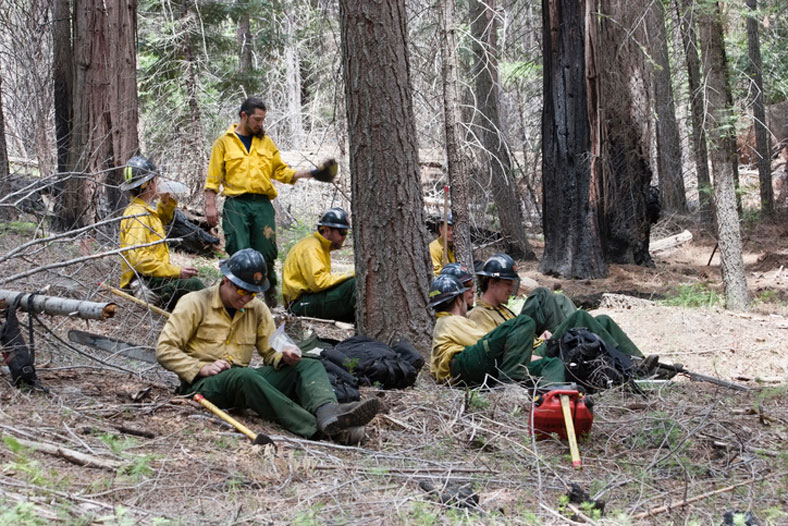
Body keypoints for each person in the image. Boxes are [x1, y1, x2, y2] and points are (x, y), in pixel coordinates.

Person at [156, 248, 380, 444]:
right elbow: (165, 349)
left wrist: (285, 356)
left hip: (241, 379)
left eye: (253, 293)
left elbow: (271, 349)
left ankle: (328, 412)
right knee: (245, 377)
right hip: (202, 385)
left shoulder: (257, 309)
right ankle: (320, 429)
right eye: (242, 291)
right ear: (226, 280)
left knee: (308, 366)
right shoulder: (194, 302)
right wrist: (200, 368)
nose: (247, 299)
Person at [204, 97, 319, 307]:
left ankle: (271, 302)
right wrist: (210, 204)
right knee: (240, 252)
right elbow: (213, 178)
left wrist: (308, 173)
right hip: (236, 204)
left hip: (262, 205)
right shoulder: (224, 143)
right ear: (244, 116)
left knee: (266, 252)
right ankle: (238, 302)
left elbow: (281, 171)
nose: (260, 124)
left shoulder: (266, 143)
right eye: (257, 119)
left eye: (263, 119)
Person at [468, 253, 644, 358]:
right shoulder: (480, 314)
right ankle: (626, 364)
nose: (511, 290)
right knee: (579, 317)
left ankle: (640, 361)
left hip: (538, 347)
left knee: (603, 320)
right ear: (492, 283)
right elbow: (493, 351)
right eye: (507, 284)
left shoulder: (503, 310)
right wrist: (533, 350)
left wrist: (540, 339)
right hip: (531, 358)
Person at [429, 274, 566, 386]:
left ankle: (553, 392)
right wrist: (519, 345)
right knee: (524, 322)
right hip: (460, 365)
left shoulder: (445, 323)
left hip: (471, 367)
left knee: (552, 364)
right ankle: (510, 382)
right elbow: (484, 341)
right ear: (459, 300)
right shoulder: (449, 321)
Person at [119, 155, 205, 310]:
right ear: (150, 184)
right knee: (195, 285)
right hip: (149, 281)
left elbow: (159, 224)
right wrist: (176, 272)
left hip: (155, 277)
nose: (158, 183)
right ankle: (149, 295)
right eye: (155, 180)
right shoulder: (137, 216)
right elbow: (139, 260)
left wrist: (165, 202)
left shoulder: (142, 210)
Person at [282, 207, 356, 323]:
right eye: (341, 233)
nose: (344, 238)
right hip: (300, 305)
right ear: (326, 230)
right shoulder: (311, 247)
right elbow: (318, 282)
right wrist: (349, 273)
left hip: (309, 299)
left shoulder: (320, 246)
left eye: (346, 233)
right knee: (354, 284)